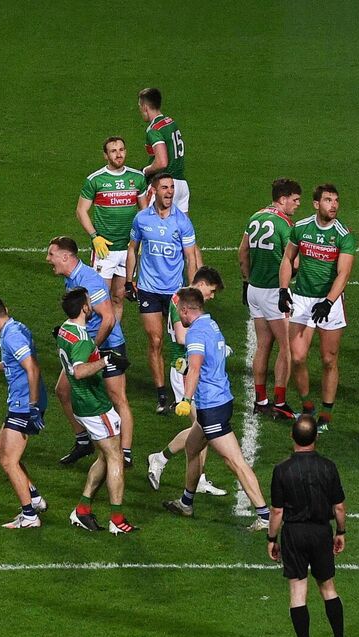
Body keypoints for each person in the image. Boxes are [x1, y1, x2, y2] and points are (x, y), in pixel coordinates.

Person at [162, 288, 272, 532]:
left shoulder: (195, 333)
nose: (180, 317)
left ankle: (265, 516)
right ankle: (186, 503)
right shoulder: (211, 325)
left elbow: (196, 368)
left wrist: (185, 399)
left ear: (186, 310)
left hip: (212, 406)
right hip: (217, 401)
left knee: (235, 462)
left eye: (181, 313)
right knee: (192, 448)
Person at [46, 236, 135, 468]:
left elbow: (108, 318)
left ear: (66, 257)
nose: (48, 259)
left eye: (51, 254)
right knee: (62, 391)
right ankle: (83, 441)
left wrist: (93, 347)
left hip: (107, 344)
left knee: (118, 398)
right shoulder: (72, 279)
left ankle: (125, 453)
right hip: (88, 344)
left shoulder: (89, 281)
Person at [57, 288, 138, 535]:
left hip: (83, 405)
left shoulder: (64, 330)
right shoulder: (81, 339)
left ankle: (82, 510)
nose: (92, 306)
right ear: (83, 308)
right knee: (116, 458)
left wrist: (100, 354)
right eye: (89, 303)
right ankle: (117, 519)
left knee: (104, 456)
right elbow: (79, 370)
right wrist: (106, 361)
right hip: (94, 405)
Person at [267, 415, 348, 637]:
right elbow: (339, 507)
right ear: (316, 438)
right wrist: (340, 532)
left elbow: (278, 511)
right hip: (321, 531)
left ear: (292, 436)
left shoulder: (282, 470)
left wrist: (272, 538)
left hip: (294, 534)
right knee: (328, 588)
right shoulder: (328, 467)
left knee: (298, 591)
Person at [278, 183, 356, 432]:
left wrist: (329, 302)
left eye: (336, 200)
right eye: (328, 200)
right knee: (298, 357)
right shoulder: (301, 228)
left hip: (329, 302)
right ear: (316, 204)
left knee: (328, 359)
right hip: (301, 298)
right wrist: (283, 290)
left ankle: (327, 413)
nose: (333, 205)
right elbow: (287, 259)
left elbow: (343, 273)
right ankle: (307, 405)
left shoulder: (343, 235)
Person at [146, 266, 229, 496]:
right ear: (201, 285)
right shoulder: (180, 302)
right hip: (183, 370)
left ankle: (196, 477)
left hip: (192, 368)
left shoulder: (186, 301)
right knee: (201, 428)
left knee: (202, 429)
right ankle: (160, 459)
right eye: (211, 291)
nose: (212, 296)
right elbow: (182, 336)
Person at [126, 173, 200, 414]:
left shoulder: (182, 222)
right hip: (148, 289)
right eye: (164, 188)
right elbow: (133, 248)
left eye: (172, 188)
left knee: (182, 343)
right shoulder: (141, 219)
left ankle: (186, 390)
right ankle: (161, 395)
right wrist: (129, 281)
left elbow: (191, 257)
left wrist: (192, 290)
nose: (169, 192)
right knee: (155, 341)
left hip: (175, 292)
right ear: (154, 191)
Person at [0, 296, 49, 529]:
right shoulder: (16, 328)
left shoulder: (12, 336)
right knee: (0, 451)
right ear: (6, 310)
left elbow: (32, 368)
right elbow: (16, 362)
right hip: (20, 401)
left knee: (9, 460)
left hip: (24, 403)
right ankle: (35, 499)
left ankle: (29, 516)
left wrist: (34, 407)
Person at [238, 178, 301, 419]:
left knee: (263, 344)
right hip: (275, 292)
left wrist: (246, 280)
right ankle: (280, 403)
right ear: (283, 199)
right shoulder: (286, 224)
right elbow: (293, 262)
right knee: (286, 348)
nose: (296, 205)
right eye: (295, 200)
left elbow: (242, 252)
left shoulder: (255, 217)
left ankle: (261, 400)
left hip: (254, 289)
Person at [77, 136, 149, 322]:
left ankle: (113, 340)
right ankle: (96, 342)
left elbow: (145, 212)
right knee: (98, 300)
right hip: (105, 250)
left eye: (121, 150)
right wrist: (94, 237)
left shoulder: (137, 178)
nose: (119, 154)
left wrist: (141, 239)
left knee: (119, 298)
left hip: (128, 250)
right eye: (113, 151)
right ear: (105, 155)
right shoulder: (95, 180)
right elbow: (81, 211)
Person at [138, 87, 189, 213]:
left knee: (148, 226)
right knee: (183, 230)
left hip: (164, 185)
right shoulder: (171, 122)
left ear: (145, 107)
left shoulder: (154, 129)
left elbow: (162, 162)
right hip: (182, 186)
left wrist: (145, 170)